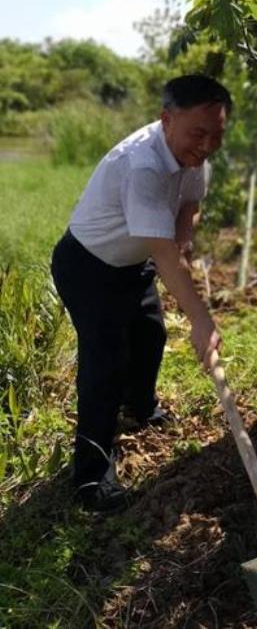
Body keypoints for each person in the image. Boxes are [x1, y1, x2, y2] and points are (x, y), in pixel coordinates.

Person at [51, 74, 230, 512]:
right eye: (198, 134)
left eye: (216, 135)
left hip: (133, 263)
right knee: (104, 362)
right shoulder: (143, 165)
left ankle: (141, 407)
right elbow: (165, 259)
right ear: (166, 120)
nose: (206, 145)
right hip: (89, 267)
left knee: (150, 336)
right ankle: (91, 479)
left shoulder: (193, 155)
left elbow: (189, 205)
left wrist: (184, 236)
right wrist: (202, 320)